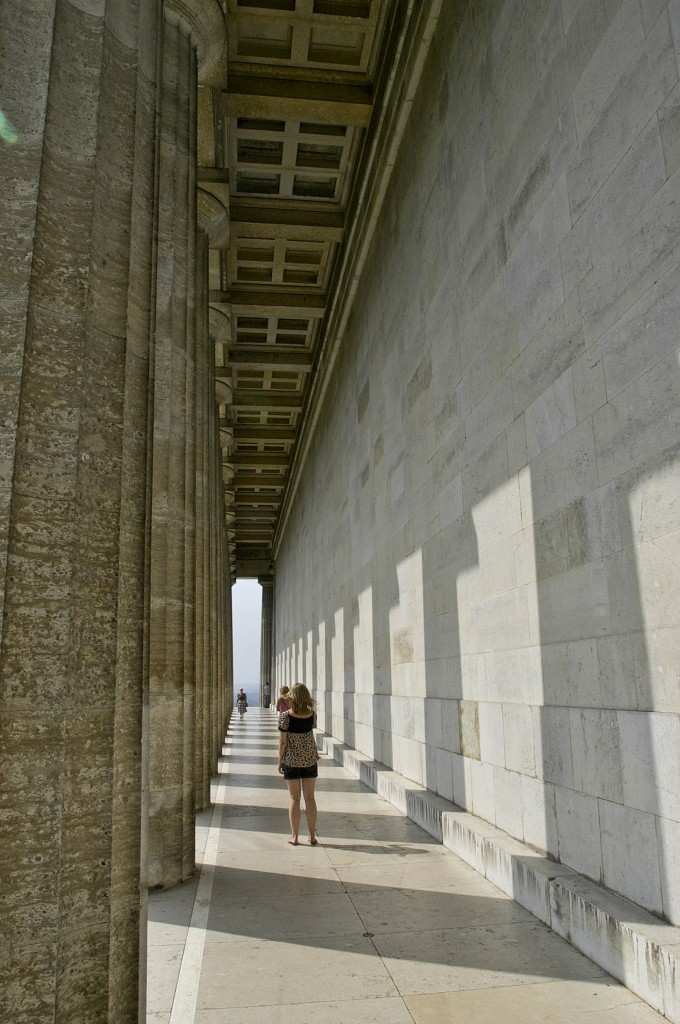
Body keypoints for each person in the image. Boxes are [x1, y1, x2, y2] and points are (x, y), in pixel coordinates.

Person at [277, 683, 319, 845]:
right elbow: (310, 730)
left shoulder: (285, 716)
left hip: (291, 760)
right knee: (310, 798)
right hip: (309, 759)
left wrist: (280, 762)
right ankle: (311, 836)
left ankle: (294, 836)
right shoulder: (312, 714)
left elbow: (282, 742)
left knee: (294, 798)